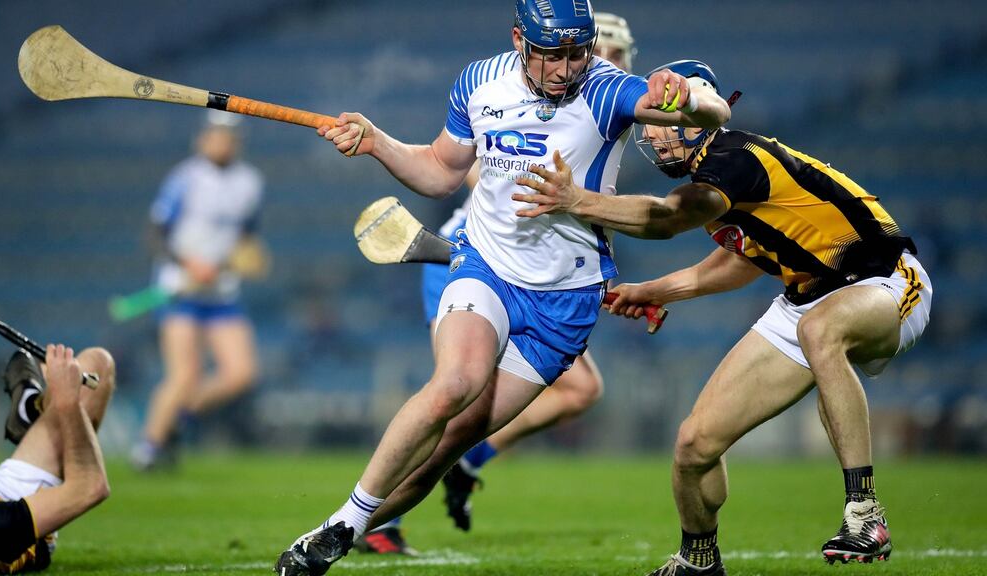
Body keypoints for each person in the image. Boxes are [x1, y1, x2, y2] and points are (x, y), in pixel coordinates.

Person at [274, 2, 729, 574]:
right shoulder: (479, 82)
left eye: (576, 53)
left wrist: (687, 95)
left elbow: (711, 115)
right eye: (551, 54)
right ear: (519, 39)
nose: (566, 68)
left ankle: (357, 525)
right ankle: (340, 525)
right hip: (484, 265)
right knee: (453, 386)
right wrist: (377, 142)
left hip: (564, 302)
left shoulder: (606, 90)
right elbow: (441, 170)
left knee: (451, 443)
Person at [511, 60, 932, 575]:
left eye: (664, 128)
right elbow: (736, 265)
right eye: (651, 131)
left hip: (885, 279)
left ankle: (864, 514)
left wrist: (578, 201)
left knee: (820, 331)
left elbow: (668, 219)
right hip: (805, 301)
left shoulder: (735, 157)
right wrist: (651, 290)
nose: (656, 140)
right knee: (693, 446)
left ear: (695, 119)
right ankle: (699, 559)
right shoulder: (719, 178)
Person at [357, 11, 638, 555]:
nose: (605, 65)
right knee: (456, 397)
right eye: (604, 53)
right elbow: (463, 168)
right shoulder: (518, 95)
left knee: (571, 390)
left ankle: (448, 470)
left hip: (533, 278)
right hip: (473, 262)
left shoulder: (599, 106)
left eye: (614, 56)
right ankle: (378, 512)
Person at [130, 111, 267, 471]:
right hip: (179, 290)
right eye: (216, 135)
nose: (222, 142)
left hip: (221, 292)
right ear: (203, 138)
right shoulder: (185, 178)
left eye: (229, 136)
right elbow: (155, 234)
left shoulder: (250, 183)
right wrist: (189, 264)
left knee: (241, 373)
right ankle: (149, 448)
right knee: (184, 374)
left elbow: (246, 238)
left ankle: (178, 418)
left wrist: (249, 257)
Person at [0, 344, 114, 574]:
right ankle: (33, 413)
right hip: (17, 497)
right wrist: (66, 403)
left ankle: (31, 411)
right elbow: (89, 487)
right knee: (97, 365)